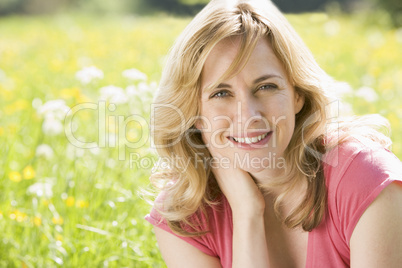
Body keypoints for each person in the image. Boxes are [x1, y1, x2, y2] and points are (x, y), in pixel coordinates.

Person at [145, 0, 402, 267]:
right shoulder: (184, 217)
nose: (248, 115)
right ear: (194, 115)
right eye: (221, 93)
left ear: (298, 95)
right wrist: (247, 213)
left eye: (266, 87)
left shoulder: (364, 178)